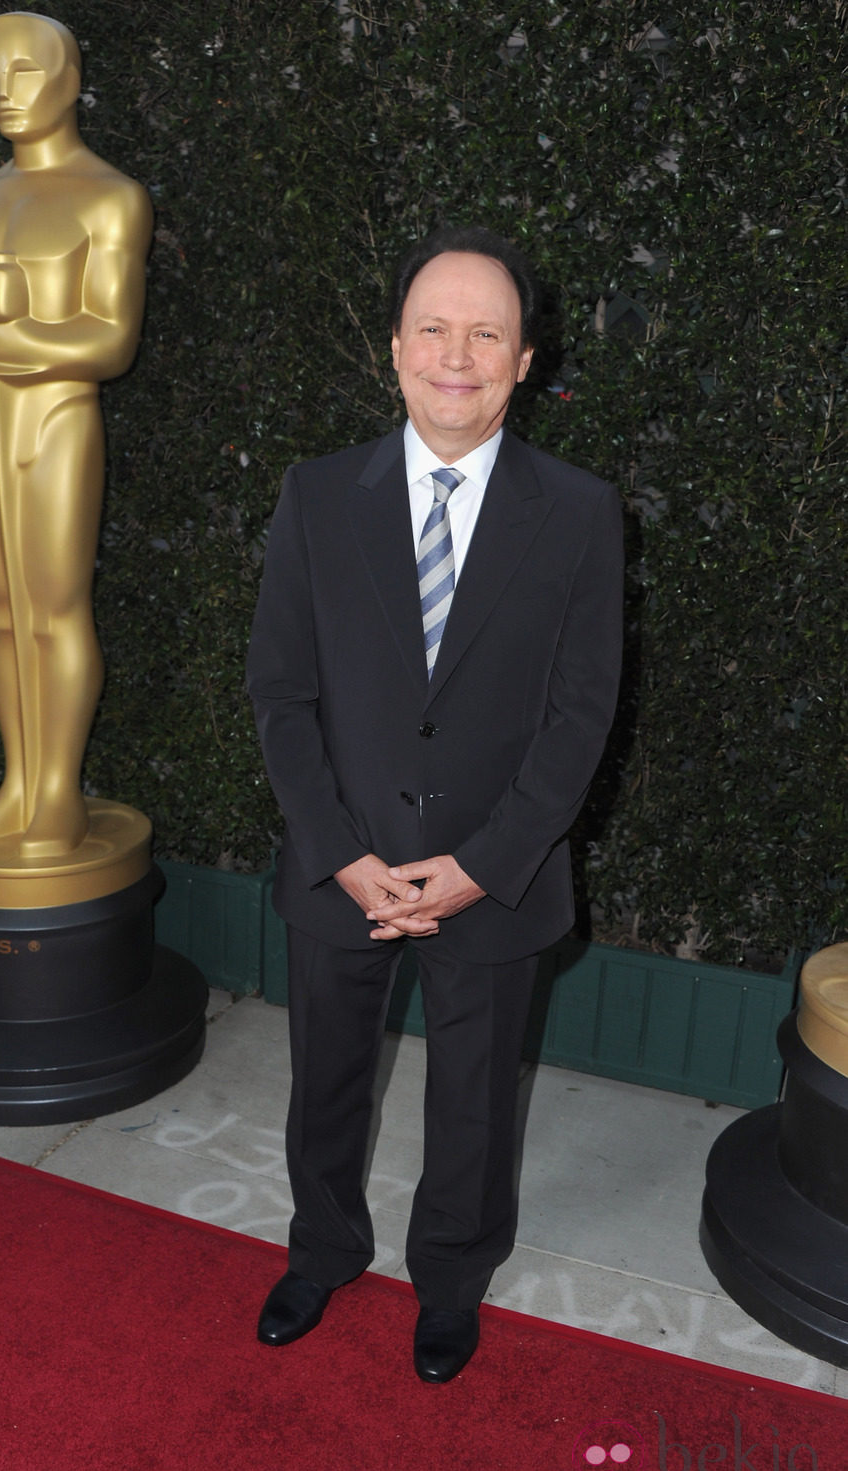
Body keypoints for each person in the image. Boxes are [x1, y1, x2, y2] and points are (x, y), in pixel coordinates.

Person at [246, 225, 624, 1382]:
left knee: (473, 1098)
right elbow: (280, 692)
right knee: (326, 1082)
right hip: (340, 868)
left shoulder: (580, 512)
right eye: (432, 328)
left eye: (485, 334)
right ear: (396, 349)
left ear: (521, 361)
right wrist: (341, 853)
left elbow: (580, 715)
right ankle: (321, 1249)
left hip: (493, 879)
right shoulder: (315, 499)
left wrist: (475, 864)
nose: (454, 355)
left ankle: (450, 1279)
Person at [0, 12, 152, 858]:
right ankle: (17, 786)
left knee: (55, 611)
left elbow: (109, 343)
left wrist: (0, 321)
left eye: (26, 71)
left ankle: (56, 795)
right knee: (3, 614)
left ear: (70, 78)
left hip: (59, 428)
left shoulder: (109, 198)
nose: (6, 91)